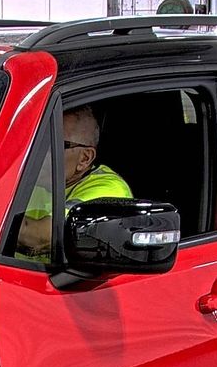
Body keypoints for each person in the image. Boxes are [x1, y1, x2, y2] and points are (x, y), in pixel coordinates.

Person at [16, 106, 132, 260]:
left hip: (62, 282)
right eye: (39, 141)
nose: (39, 152)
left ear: (85, 158)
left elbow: (39, 238)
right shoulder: (29, 176)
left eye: (54, 144)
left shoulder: (109, 191)